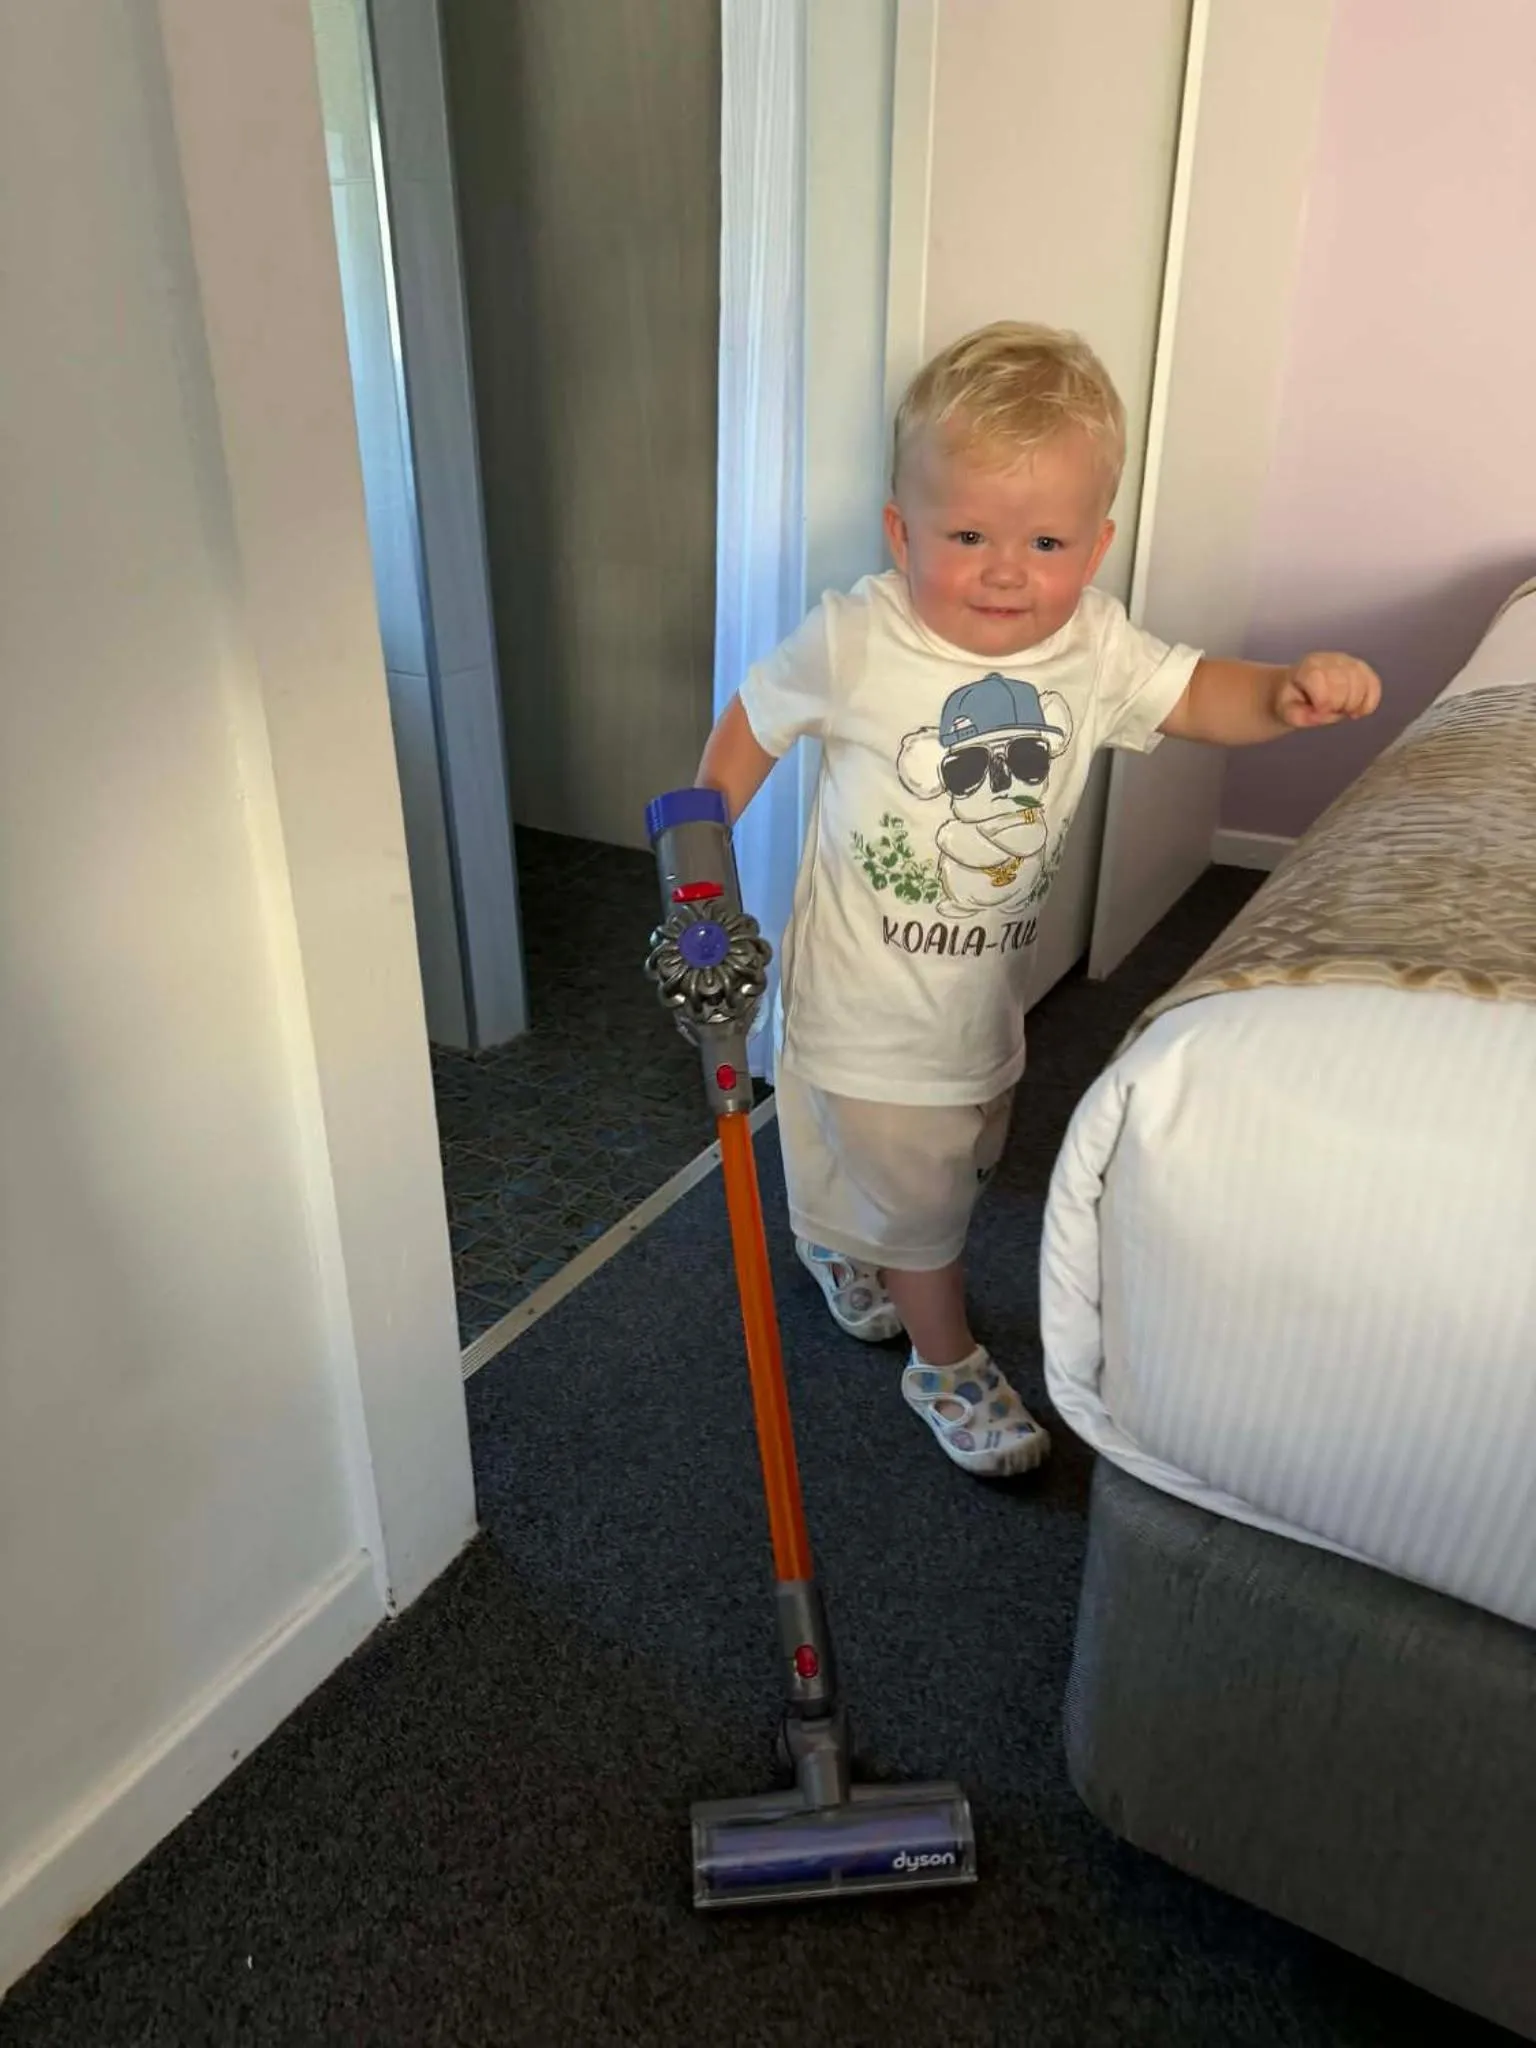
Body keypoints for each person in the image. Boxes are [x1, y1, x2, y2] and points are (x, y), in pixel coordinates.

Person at [697, 321, 1380, 1478]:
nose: (1008, 569)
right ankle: (945, 1357)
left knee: (961, 1148)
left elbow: (1199, 695)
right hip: (868, 1000)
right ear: (901, 530)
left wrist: (1286, 695)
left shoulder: (1093, 647)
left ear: (1096, 544)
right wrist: (701, 853)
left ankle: (836, 1240)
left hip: (979, 993)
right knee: (922, 1193)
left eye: (1047, 540)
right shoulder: (860, 637)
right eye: (967, 534)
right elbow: (751, 727)